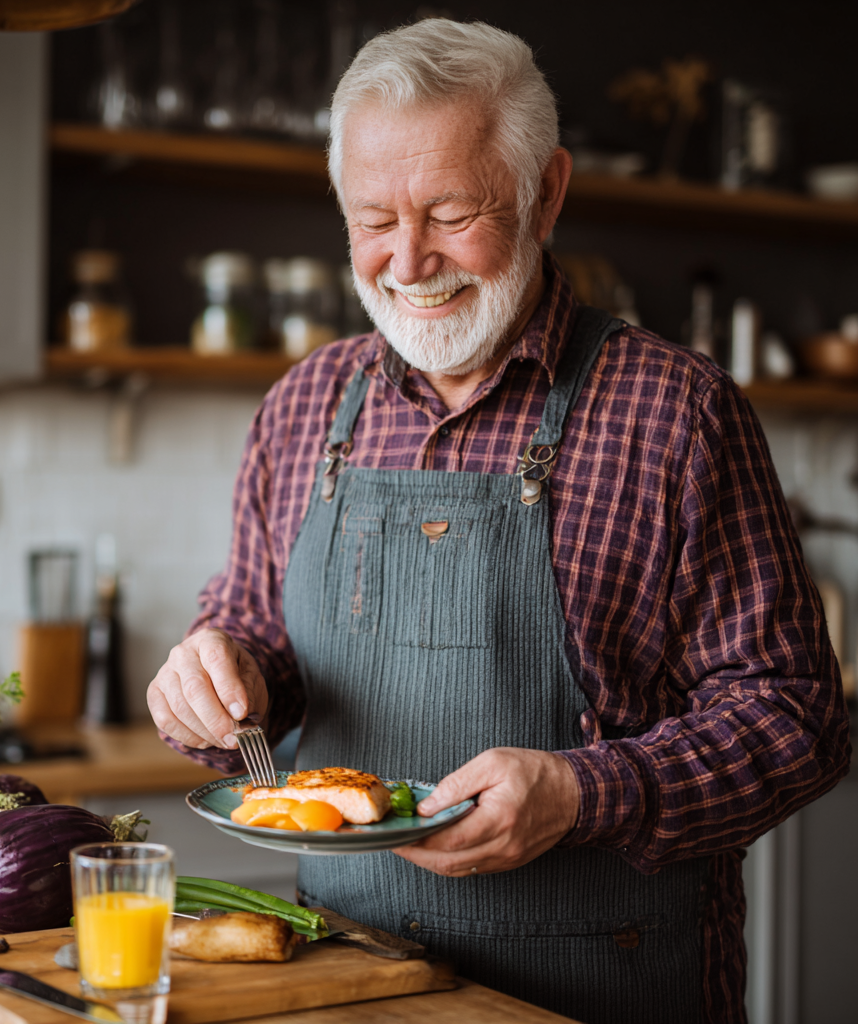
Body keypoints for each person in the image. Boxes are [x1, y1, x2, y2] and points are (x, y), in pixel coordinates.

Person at [147, 19, 851, 1024]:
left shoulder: (677, 412)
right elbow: (253, 645)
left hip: (605, 990)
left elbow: (797, 718)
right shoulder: (302, 406)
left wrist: (586, 792)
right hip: (350, 983)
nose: (408, 258)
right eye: (373, 217)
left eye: (449, 210)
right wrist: (216, 680)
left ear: (546, 191)